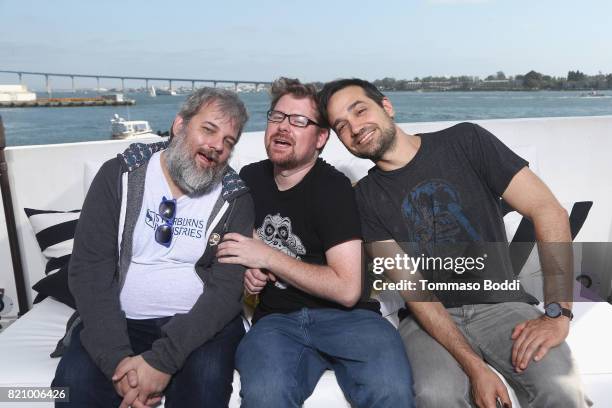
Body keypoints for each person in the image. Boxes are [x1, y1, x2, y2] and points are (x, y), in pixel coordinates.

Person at [318, 78, 588, 408]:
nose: (355, 128)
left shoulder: (465, 141)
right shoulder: (364, 198)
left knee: (560, 388)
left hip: (503, 305)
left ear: (386, 106)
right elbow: (415, 291)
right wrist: (476, 370)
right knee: (436, 395)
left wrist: (557, 313)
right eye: (341, 126)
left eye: (360, 111)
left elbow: (548, 211)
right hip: (428, 320)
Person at [216, 77, 414, 407]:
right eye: (277, 117)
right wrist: (249, 270)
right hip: (275, 324)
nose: (282, 128)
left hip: (350, 320)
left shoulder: (332, 189)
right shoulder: (248, 179)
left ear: (321, 137)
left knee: (391, 391)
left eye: (298, 121)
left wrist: (267, 256)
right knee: (266, 396)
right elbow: (233, 241)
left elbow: (347, 289)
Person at [52, 88, 254, 408]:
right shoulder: (119, 175)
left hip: (199, 328)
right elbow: (90, 271)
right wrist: (118, 364)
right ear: (179, 125)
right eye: (208, 129)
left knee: (206, 383)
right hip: (121, 322)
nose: (217, 145)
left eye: (229, 141)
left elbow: (226, 291)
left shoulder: (235, 199)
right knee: (73, 383)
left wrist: (162, 362)